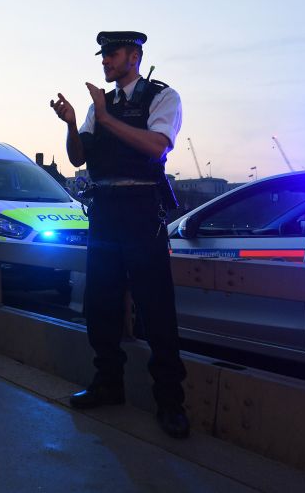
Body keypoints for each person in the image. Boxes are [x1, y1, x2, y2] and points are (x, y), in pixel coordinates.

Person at [50, 31, 189, 439]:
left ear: (134, 55)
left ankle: (170, 401)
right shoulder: (101, 105)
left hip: (143, 210)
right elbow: (79, 156)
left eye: (112, 54)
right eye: (103, 55)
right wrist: (74, 123)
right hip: (106, 211)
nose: (105, 61)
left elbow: (157, 147)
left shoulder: (162, 97)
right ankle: (108, 383)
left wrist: (106, 118)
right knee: (101, 304)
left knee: (156, 309)